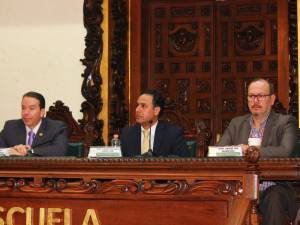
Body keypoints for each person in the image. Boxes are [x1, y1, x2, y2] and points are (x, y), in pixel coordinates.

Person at [217, 78, 297, 225]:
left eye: (261, 96)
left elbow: (285, 151)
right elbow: (218, 152)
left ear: (272, 99)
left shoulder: (285, 122)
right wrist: (238, 150)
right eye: (251, 96)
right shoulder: (237, 123)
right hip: (239, 189)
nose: (256, 100)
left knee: (274, 197)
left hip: (274, 187)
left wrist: (253, 151)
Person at [120, 89, 188, 157]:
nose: (137, 110)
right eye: (137, 105)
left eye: (143, 106)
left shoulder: (173, 134)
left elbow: (183, 163)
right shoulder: (127, 134)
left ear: (156, 111)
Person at [0, 91, 68, 157]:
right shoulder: (10, 127)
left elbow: (60, 151)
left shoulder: (56, 127)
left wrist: (29, 151)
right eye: (23, 108)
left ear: (42, 112)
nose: (26, 113)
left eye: (31, 108)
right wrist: (9, 151)